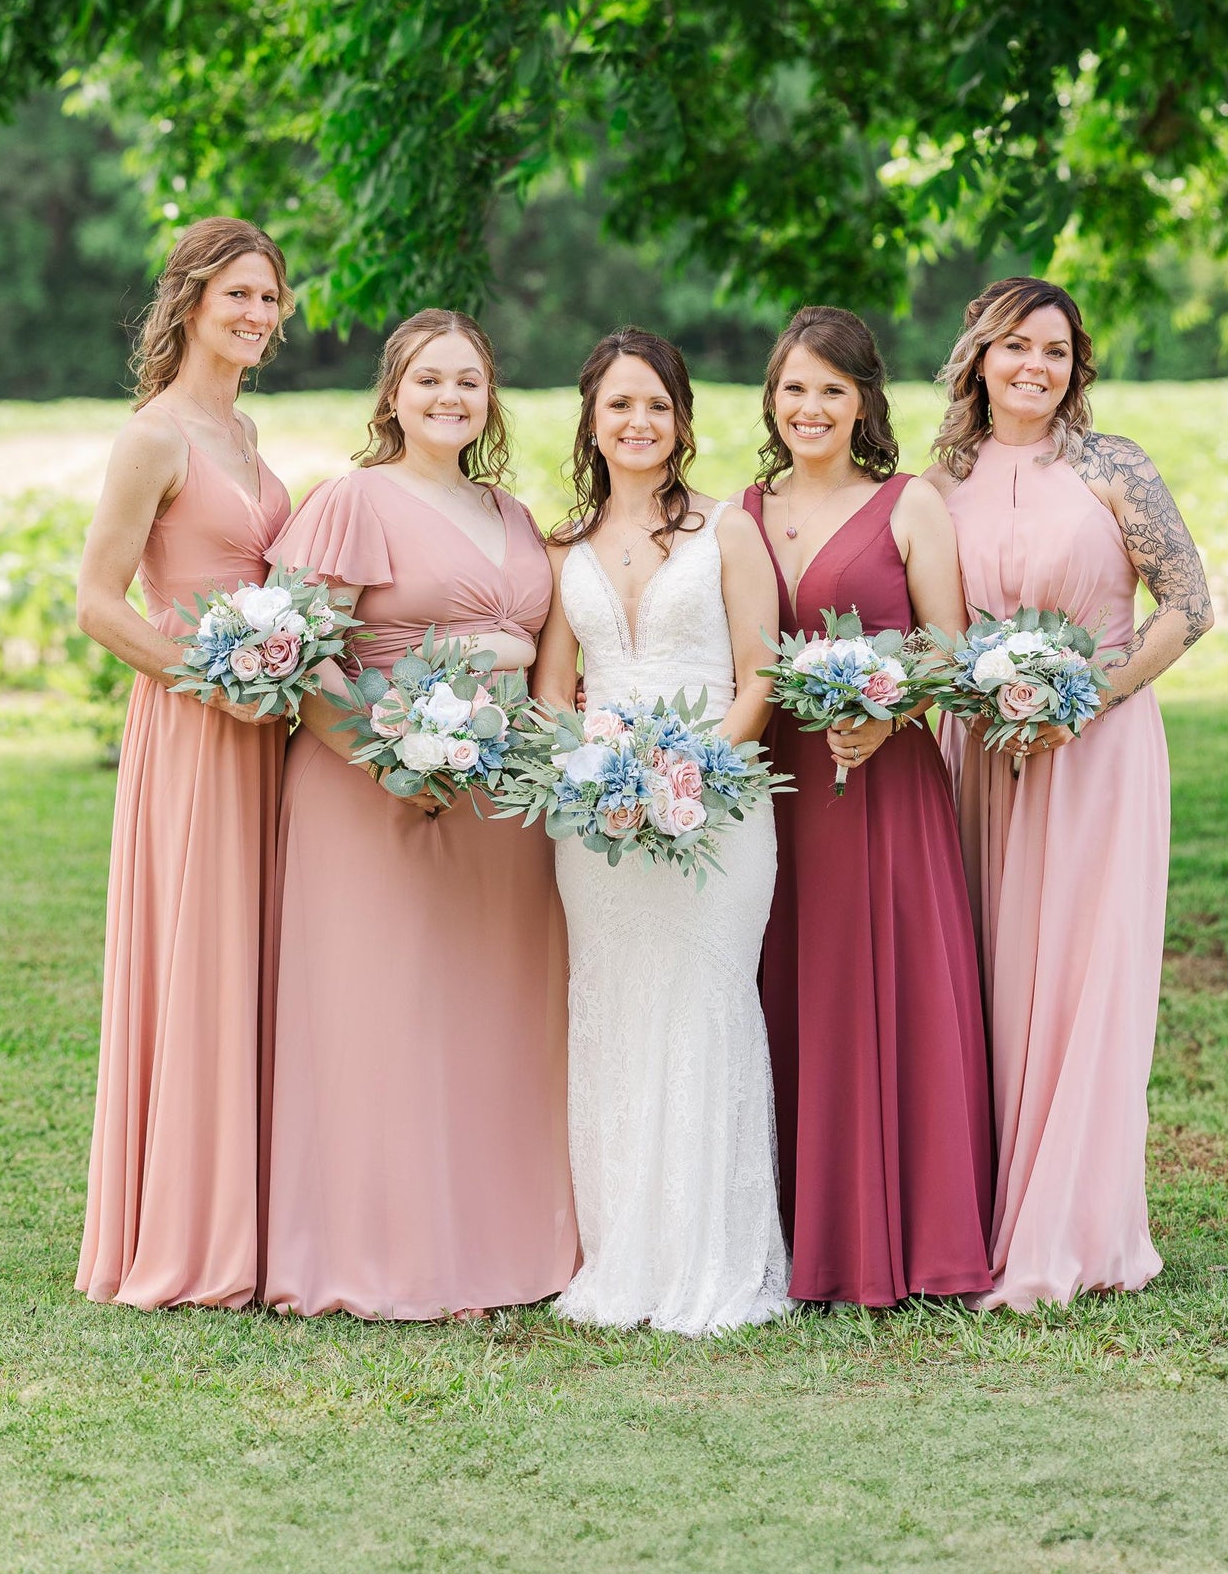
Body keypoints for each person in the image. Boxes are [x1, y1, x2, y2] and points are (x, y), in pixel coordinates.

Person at [261, 309, 577, 1319]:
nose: (450, 396)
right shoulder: (350, 501)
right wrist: (385, 759)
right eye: (430, 379)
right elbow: (293, 657)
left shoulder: (515, 515)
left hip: (500, 804)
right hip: (375, 794)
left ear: (490, 399)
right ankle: (391, 1255)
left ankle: (505, 1244)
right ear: (391, 392)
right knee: (388, 1015)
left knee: (492, 1016)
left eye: (469, 382)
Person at [926, 276, 1213, 1310]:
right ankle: (980, 1213)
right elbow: (927, 622)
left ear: (1074, 365)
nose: (1032, 366)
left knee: (1084, 975)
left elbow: (1188, 604)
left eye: (1052, 349)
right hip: (980, 754)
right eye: (1013, 346)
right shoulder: (939, 479)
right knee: (992, 971)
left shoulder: (1110, 467)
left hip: (1093, 752)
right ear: (978, 357)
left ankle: (1072, 1227)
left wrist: (1083, 698)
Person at [532, 328, 789, 1336]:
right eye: (617, 406)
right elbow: (554, 686)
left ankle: (713, 1261)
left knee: (704, 1000)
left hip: (717, 807)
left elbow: (761, 673)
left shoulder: (727, 530)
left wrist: (692, 770)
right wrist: (597, 768)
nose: (637, 423)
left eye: (655, 405)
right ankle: (624, 1259)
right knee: (614, 1006)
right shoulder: (567, 546)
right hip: (596, 819)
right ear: (591, 422)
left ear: (681, 419)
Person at [742, 306, 992, 1306]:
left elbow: (946, 644)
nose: (809, 406)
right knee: (788, 984)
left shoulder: (907, 503)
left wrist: (885, 718)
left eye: (829, 390)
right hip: (780, 786)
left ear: (861, 403)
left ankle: (908, 1231)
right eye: (793, 387)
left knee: (884, 985)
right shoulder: (742, 510)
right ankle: (799, 1227)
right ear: (771, 395)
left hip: (882, 783)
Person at [75, 216, 293, 1308]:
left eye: (269, 298)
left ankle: (248, 1213)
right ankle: (182, 1231)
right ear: (192, 302)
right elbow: (98, 605)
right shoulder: (153, 437)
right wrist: (215, 681)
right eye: (238, 295)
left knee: (254, 957)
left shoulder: (247, 434)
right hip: (195, 725)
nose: (256, 315)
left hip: (268, 735)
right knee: (198, 957)